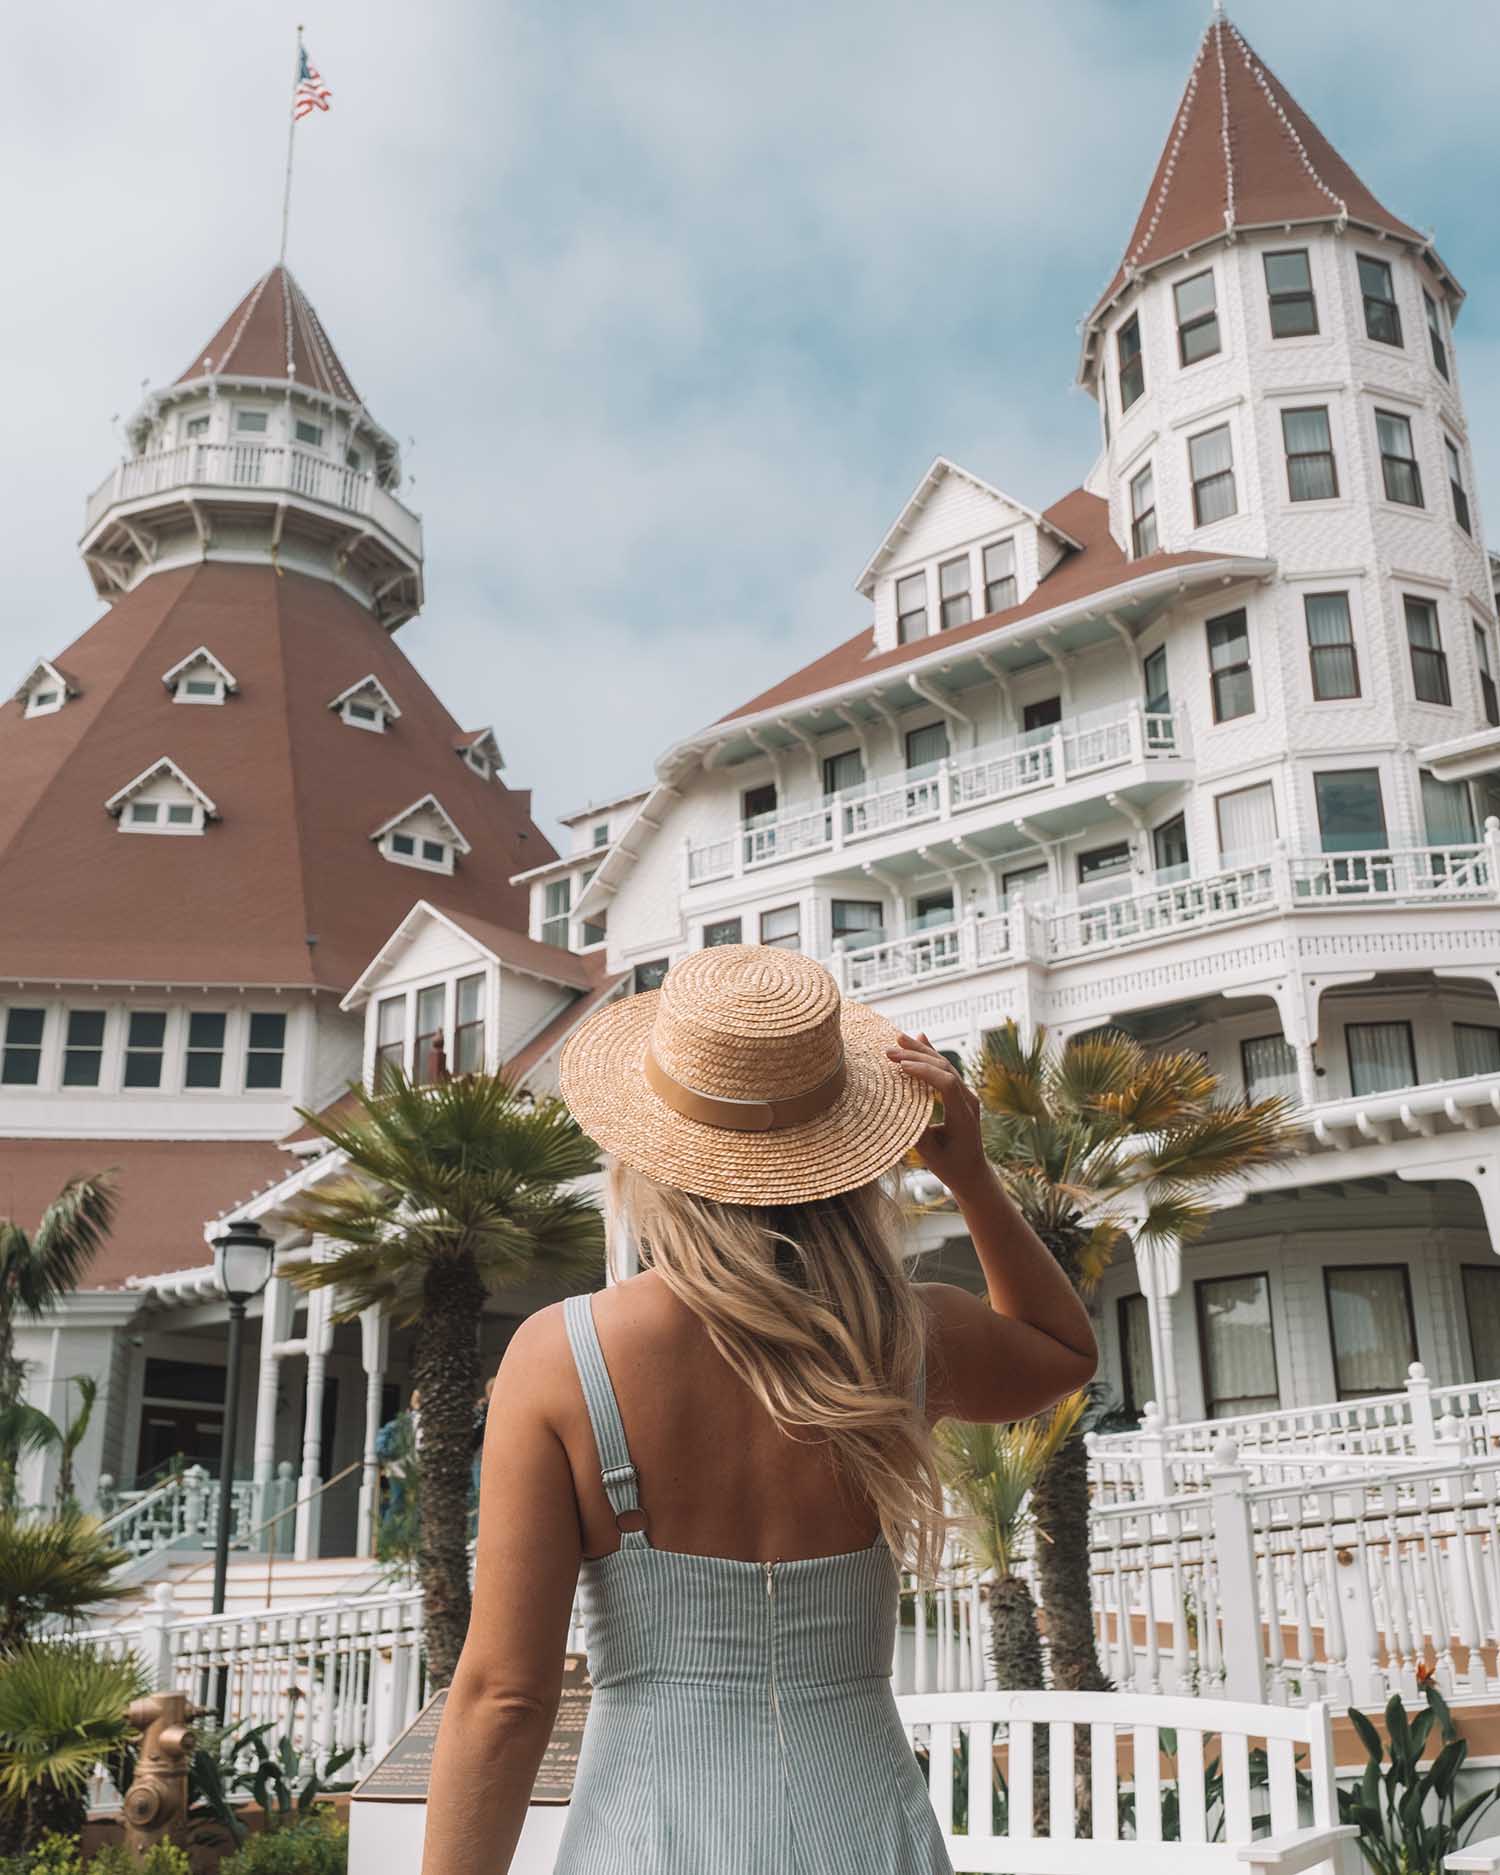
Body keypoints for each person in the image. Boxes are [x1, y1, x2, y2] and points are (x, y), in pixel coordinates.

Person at [422, 945, 1096, 1875]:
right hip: (867, 1831)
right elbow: (1065, 1351)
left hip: (647, 1839)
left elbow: (504, 1696)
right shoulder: (901, 1342)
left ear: (652, 1151)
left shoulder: (562, 1357)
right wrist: (971, 1177)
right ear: (844, 1154)